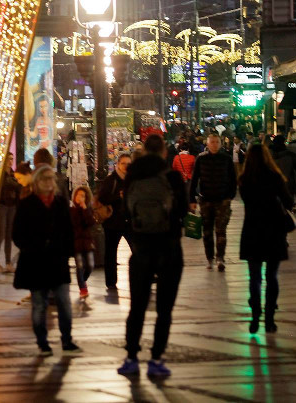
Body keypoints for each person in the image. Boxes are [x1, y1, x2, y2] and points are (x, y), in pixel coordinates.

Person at [118, 134, 187, 378]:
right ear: (164, 153)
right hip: (168, 246)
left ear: (144, 151)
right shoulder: (172, 176)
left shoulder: (133, 176)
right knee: (164, 309)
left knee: (137, 306)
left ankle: (131, 357)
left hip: (142, 247)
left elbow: (127, 207)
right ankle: (156, 359)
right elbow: (183, 208)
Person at [12, 165, 79, 356]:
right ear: (37, 182)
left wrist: (68, 252)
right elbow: (17, 233)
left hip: (57, 261)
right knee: (39, 303)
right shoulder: (27, 204)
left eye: (51, 179)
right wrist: (32, 247)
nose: (49, 182)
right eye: (45, 179)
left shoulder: (60, 202)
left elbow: (68, 230)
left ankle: (67, 339)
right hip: (36, 262)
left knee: (64, 302)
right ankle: (42, 341)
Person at [238, 143, 295, 334]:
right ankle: (269, 320)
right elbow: (288, 201)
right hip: (274, 230)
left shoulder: (244, 179)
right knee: (272, 277)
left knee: (255, 278)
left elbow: (246, 200)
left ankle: (255, 317)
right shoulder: (275, 177)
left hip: (252, 230)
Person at [190, 133, 237, 271]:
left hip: (222, 200)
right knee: (207, 231)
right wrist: (192, 199)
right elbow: (194, 179)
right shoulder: (201, 159)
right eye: (212, 142)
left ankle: (220, 257)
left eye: (217, 142)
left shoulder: (226, 159)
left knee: (221, 230)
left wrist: (230, 196)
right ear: (207, 143)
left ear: (221, 143)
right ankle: (209, 258)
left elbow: (233, 179)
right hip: (206, 200)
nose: (215, 144)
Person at [97, 153, 132, 290]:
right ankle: (111, 281)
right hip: (113, 222)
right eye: (124, 163)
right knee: (111, 253)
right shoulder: (111, 180)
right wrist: (119, 196)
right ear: (118, 164)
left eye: (129, 164)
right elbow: (103, 198)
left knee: (137, 249)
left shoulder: (132, 180)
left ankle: (144, 274)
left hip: (129, 221)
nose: (126, 167)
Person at [0, 152, 22, 274]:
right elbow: (7, 186)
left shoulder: (13, 174)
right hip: (3, 206)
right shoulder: (1, 175)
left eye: (12, 159)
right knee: (1, 235)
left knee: (9, 235)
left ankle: (8, 263)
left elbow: (18, 188)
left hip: (12, 206)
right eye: (9, 159)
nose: (11, 161)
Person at [70, 185, 96, 300]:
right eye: (78, 195)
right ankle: (83, 288)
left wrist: (84, 208)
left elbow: (90, 223)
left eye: (83, 196)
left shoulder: (88, 209)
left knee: (90, 265)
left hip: (87, 241)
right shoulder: (71, 210)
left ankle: (82, 280)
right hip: (75, 242)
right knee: (80, 265)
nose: (80, 198)